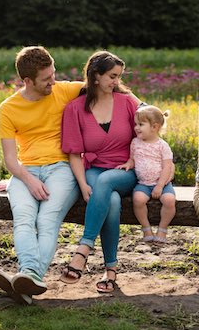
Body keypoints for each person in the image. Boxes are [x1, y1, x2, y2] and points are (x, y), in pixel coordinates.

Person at [0, 46, 84, 305]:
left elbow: (104, 83)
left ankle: (27, 276)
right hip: (25, 171)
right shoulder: (8, 108)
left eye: (53, 74)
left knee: (46, 221)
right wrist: (29, 180)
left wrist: (143, 107)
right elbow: (11, 159)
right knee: (23, 219)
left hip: (62, 168)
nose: (53, 81)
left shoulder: (64, 90)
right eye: (46, 78)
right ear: (27, 81)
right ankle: (29, 281)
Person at [59, 50, 139, 293]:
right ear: (95, 76)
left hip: (125, 170)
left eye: (119, 77)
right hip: (94, 170)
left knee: (106, 182)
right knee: (111, 201)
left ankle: (83, 249)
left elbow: (148, 134)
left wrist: (134, 159)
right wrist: (83, 185)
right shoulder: (74, 109)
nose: (117, 82)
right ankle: (111, 271)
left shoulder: (127, 102)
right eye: (112, 76)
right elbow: (74, 153)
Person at [119, 105, 176, 243]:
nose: (136, 128)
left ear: (154, 127)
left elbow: (167, 167)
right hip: (143, 184)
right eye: (136, 124)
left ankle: (162, 228)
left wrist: (160, 186)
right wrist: (128, 164)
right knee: (138, 200)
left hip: (162, 183)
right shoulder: (135, 143)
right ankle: (146, 228)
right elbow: (133, 159)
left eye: (141, 124)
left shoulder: (162, 146)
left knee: (169, 200)